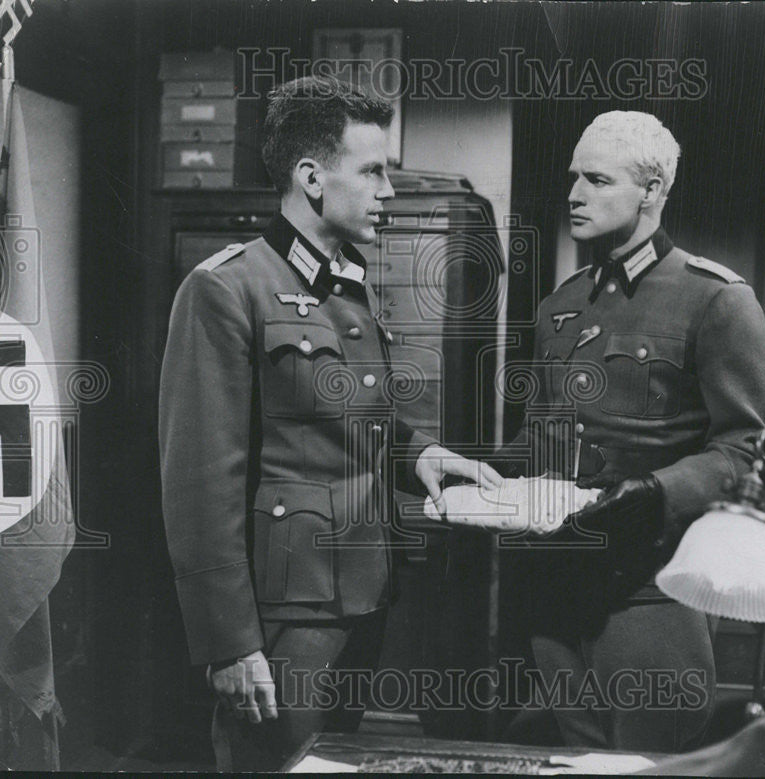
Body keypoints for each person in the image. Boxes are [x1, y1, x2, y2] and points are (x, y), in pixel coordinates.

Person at [158, 75, 501, 770]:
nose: (389, 190)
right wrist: (230, 643)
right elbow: (198, 484)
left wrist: (421, 456)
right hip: (283, 617)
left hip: (361, 595)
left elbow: (346, 425)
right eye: (372, 171)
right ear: (312, 177)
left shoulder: (346, 283)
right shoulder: (225, 288)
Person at [501, 111, 765, 752]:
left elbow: (744, 452)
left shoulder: (715, 300)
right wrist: (476, 470)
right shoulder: (560, 305)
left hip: (650, 589)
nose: (574, 194)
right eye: (573, 178)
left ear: (651, 191)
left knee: (650, 765)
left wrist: (653, 492)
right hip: (556, 589)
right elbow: (541, 437)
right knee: (572, 760)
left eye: (597, 180)